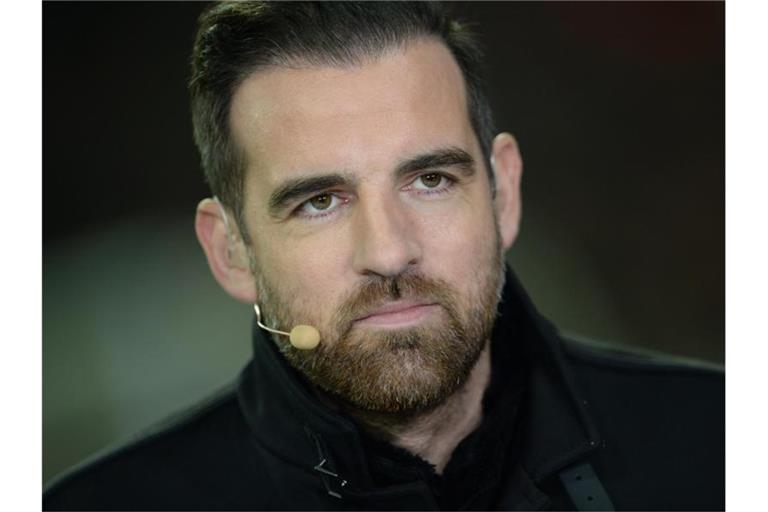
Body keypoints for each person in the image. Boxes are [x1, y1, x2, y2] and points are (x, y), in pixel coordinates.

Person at [43, 2, 724, 510]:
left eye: (430, 180)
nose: (390, 252)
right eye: (320, 201)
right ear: (232, 251)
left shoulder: (723, 445)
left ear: (504, 193)